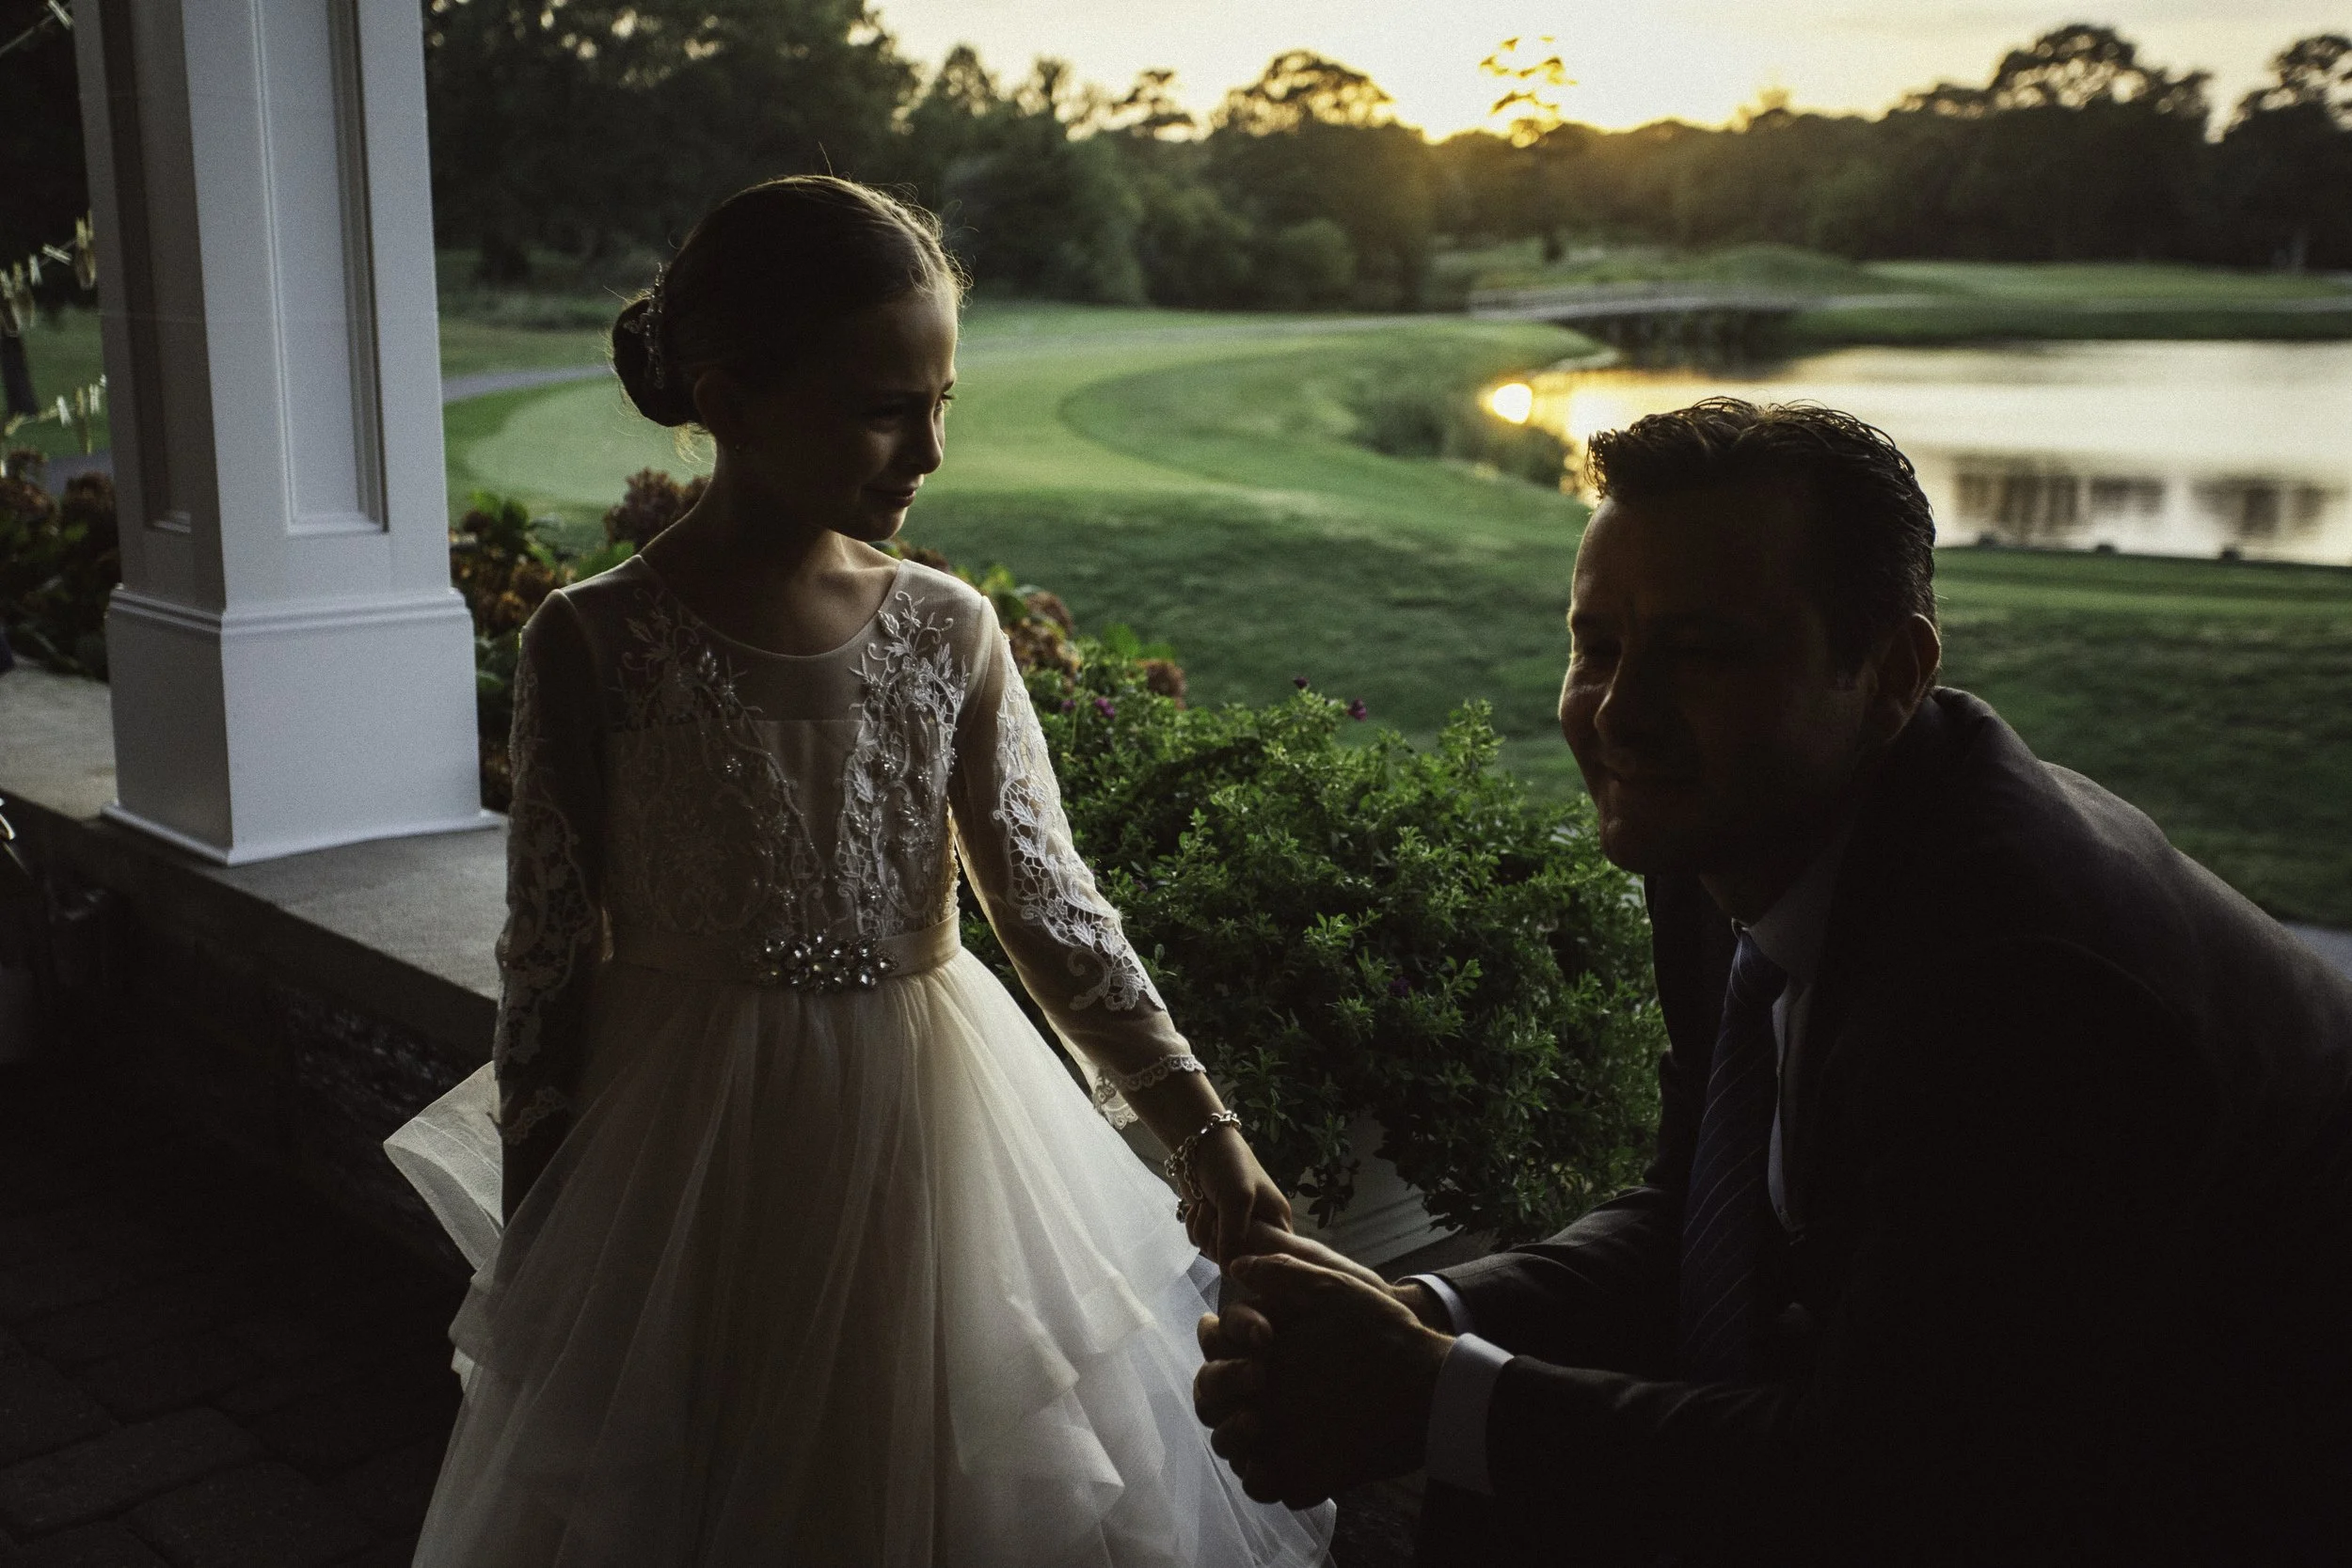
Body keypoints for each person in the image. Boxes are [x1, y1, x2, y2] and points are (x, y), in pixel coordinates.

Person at [1192, 398, 2352, 1565]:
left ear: (1891, 670)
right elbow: (1698, 1211)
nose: (1619, 711)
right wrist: (1426, 1317)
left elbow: (1904, 1478)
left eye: (1701, 652)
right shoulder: (1732, 820)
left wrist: (1429, 1396)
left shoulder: (2026, 987)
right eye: (1596, 644)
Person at [384, 176, 1333, 1567]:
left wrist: (1202, 1121)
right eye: (888, 405)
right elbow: (546, 961)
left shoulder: (948, 630)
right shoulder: (593, 643)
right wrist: (549, 1232)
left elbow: (1051, 906)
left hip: (933, 1133)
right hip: (682, 1153)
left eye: (945, 399)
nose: (931, 449)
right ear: (734, 395)